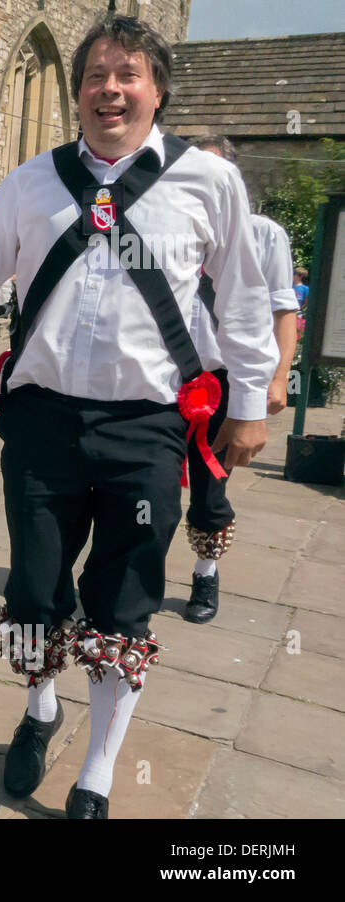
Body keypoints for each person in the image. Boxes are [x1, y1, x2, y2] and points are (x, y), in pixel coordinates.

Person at [0, 16, 275, 818]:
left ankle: (97, 766)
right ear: (77, 92)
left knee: (125, 598)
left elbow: (244, 299)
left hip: (148, 425)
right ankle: (39, 710)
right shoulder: (30, 181)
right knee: (32, 588)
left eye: (127, 75)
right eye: (95, 76)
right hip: (44, 420)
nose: (110, 90)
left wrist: (252, 402)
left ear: (157, 90)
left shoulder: (208, 182)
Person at [180, 134, 300, 623]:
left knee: (211, 486)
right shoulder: (168, 224)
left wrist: (276, 379)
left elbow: (280, 309)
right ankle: (133, 575)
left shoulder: (263, 234)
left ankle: (205, 573)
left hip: (223, 382)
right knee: (147, 487)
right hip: (165, 377)